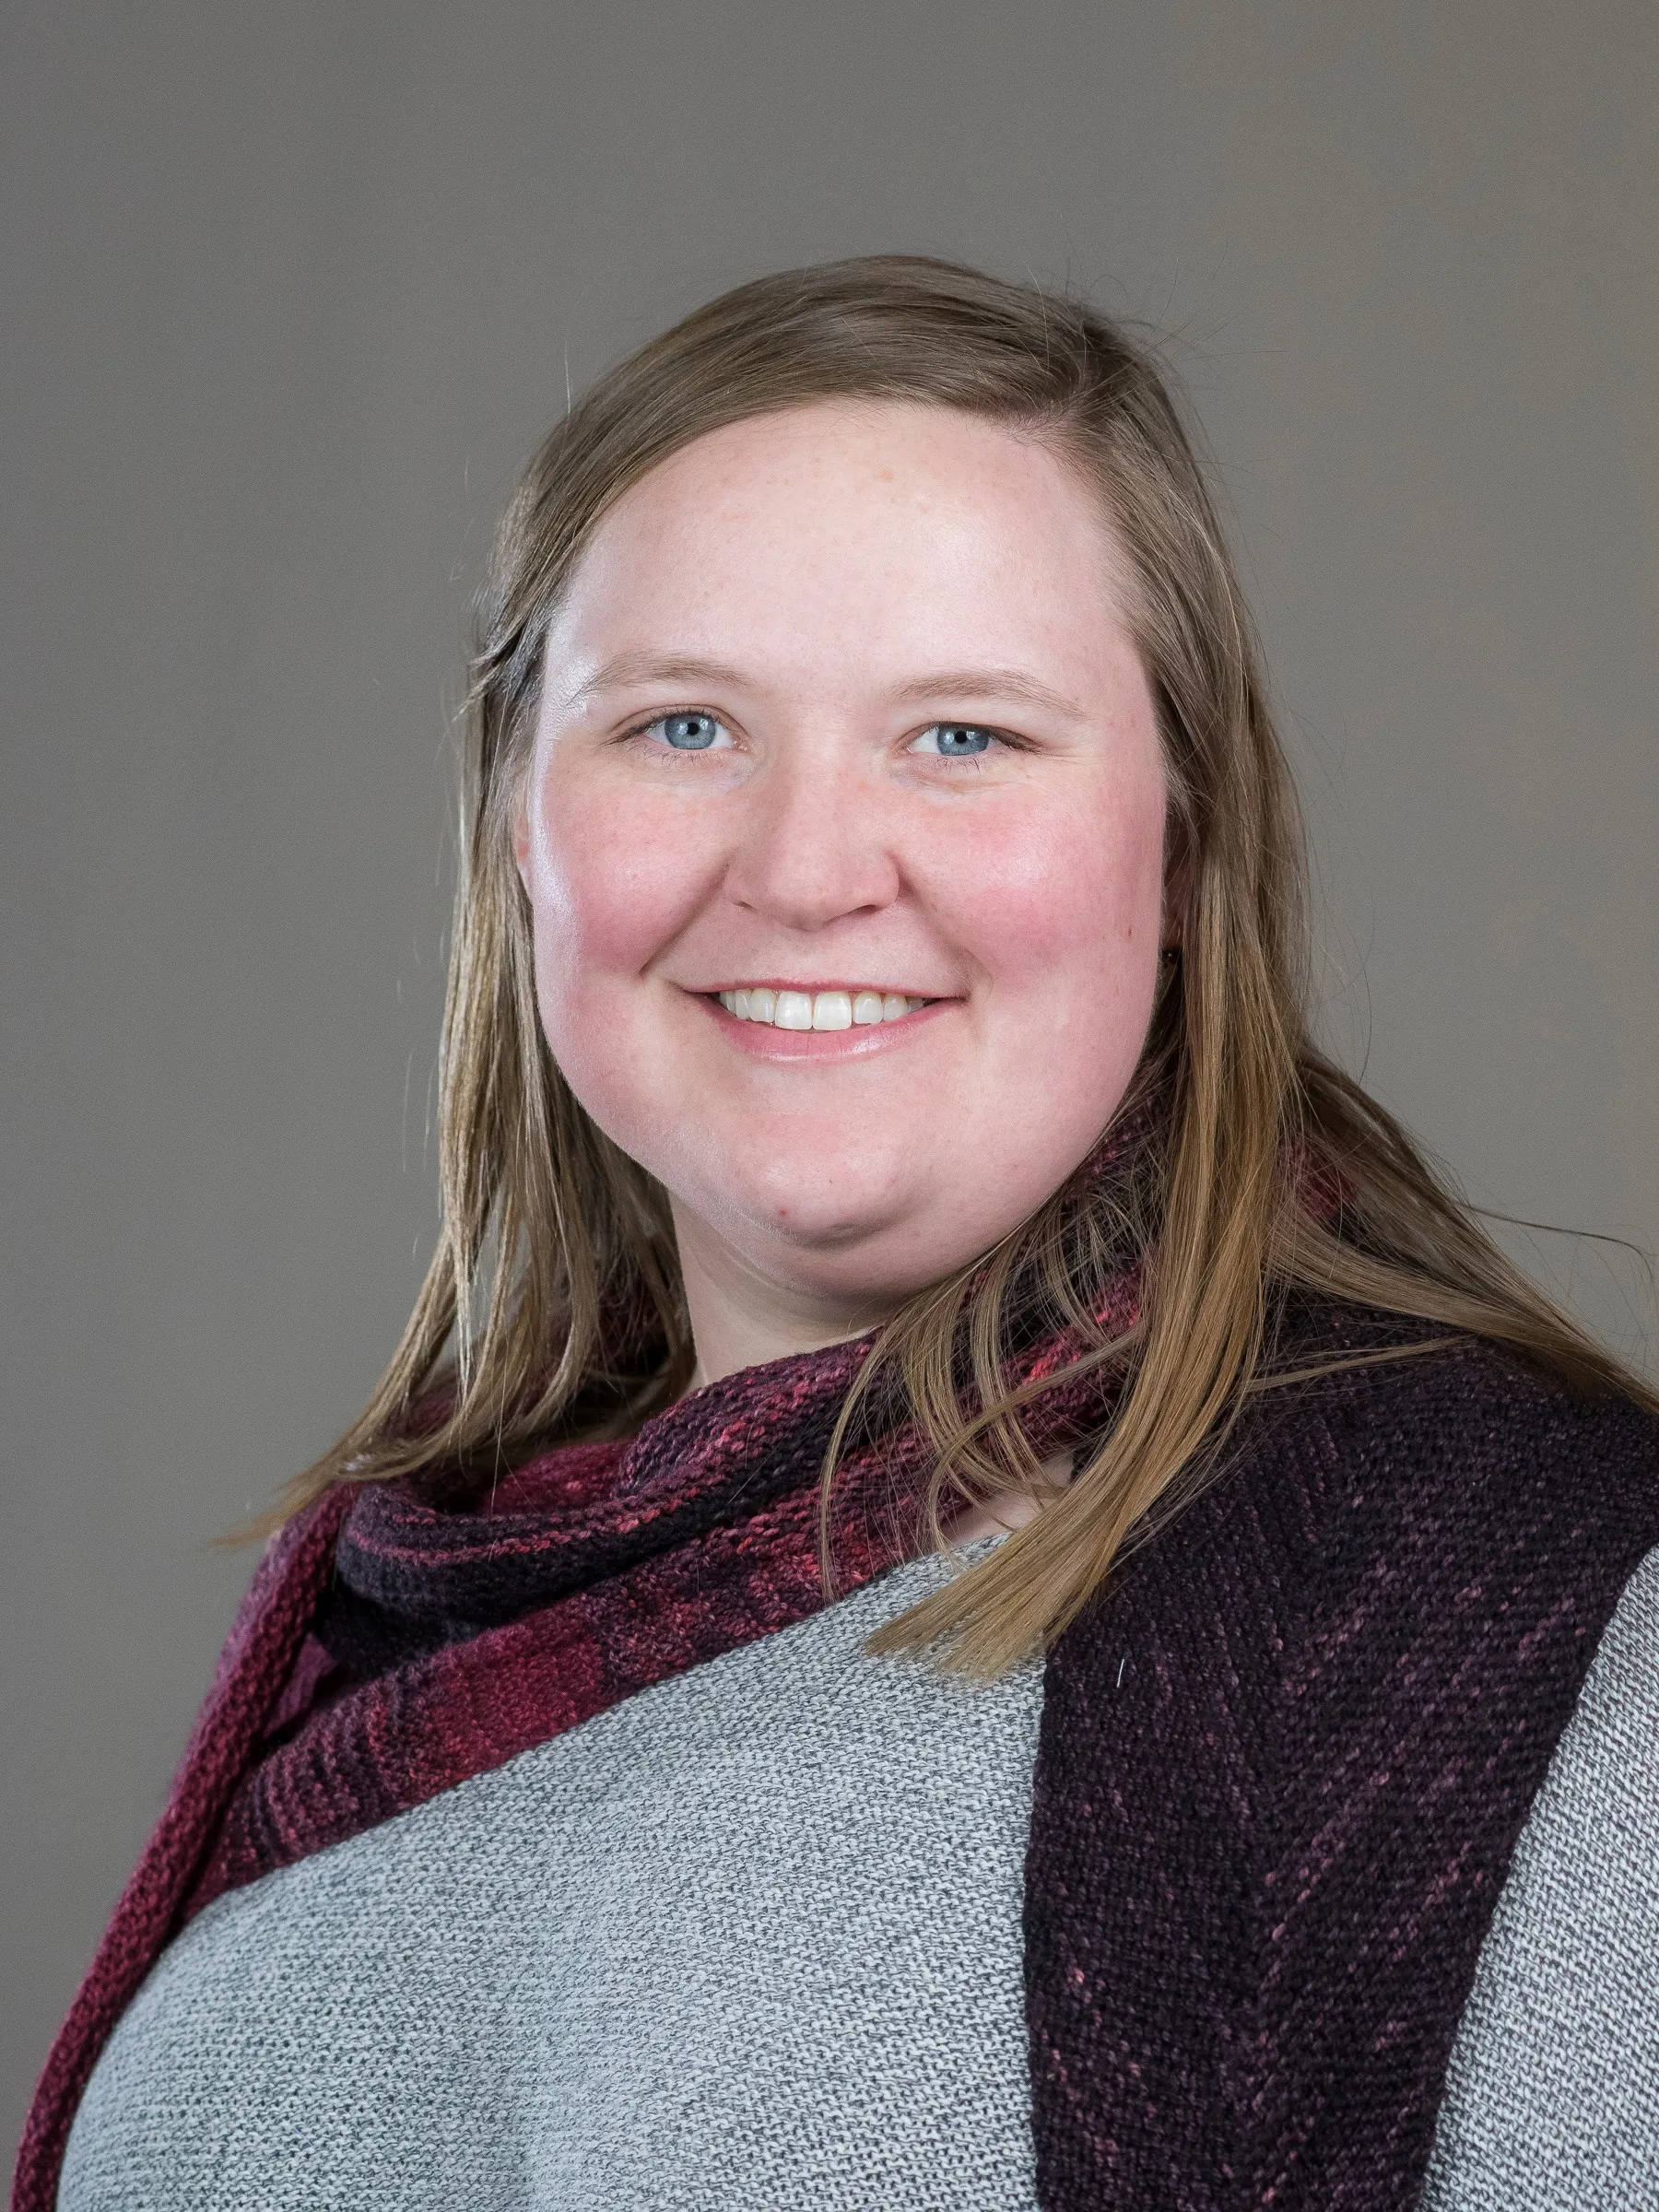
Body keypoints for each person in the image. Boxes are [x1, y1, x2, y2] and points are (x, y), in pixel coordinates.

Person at [18, 256, 1659, 2212]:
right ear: (515, 828)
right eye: (684, 727)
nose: (805, 870)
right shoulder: (406, 1635)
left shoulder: (1547, 1648)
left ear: (1180, 853)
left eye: (964, 736)